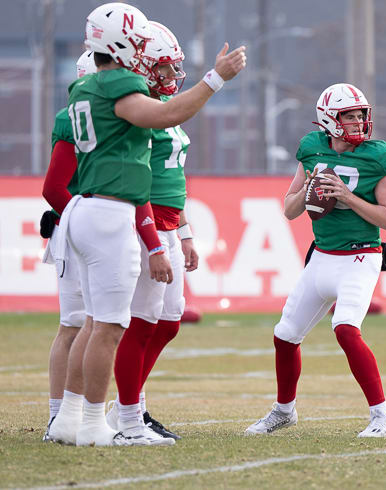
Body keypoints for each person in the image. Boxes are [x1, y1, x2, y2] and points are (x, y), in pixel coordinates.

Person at [48, 1, 246, 447]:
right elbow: (165, 115)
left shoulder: (87, 89)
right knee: (109, 326)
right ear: (117, 44)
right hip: (116, 212)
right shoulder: (117, 84)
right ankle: (106, 421)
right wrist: (216, 79)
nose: (143, 52)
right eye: (138, 42)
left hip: (99, 209)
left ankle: (71, 417)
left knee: (98, 321)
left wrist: (182, 232)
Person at [245, 83, 386, 437]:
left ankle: (382, 418)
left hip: (361, 255)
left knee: (345, 328)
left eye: (361, 114)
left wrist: (348, 197)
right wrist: (309, 187)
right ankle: (284, 411)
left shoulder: (378, 156)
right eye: (349, 115)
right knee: (284, 335)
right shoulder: (312, 149)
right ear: (329, 120)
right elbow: (289, 209)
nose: (358, 121)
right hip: (322, 256)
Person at [106, 21, 199, 442]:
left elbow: (173, 178)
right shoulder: (139, 112)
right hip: (145, 226)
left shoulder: (163, 112)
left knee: (168, 322)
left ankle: (130, 404)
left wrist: (186, 231)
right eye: (163, 69)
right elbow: (140, 184)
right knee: (142, 322)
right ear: (142, 68)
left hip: (168, 224)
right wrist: (155, 242)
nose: (171, 78)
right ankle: (128, 414)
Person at [40, 50, 97, 442]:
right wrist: (83, 219)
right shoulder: (73, 118)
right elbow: (54, 187)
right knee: (73, 324)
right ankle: (58, 416)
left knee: (104, 323)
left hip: (102, 228)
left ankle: (99, 413)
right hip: (80, 231)